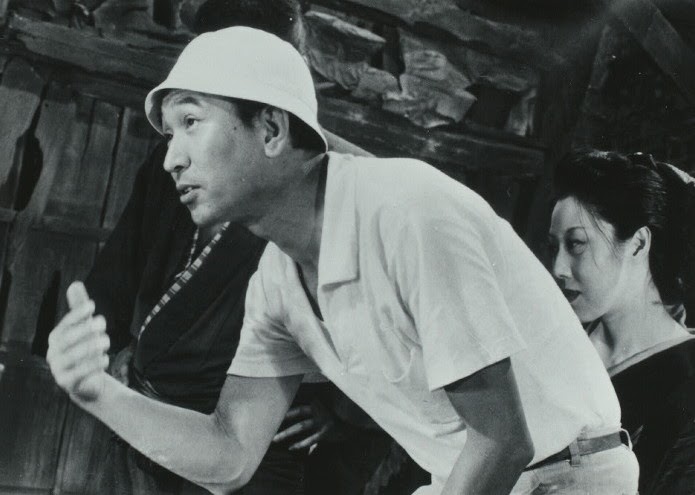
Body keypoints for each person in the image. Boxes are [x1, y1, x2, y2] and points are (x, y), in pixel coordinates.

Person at [46, 27, 638, 495]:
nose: (171, 157)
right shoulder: (277, 280)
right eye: (169, 134)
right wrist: (98, 392)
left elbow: (504, 440)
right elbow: (230, 455)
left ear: (271, 129)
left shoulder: (406, 212)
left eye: (191, 122)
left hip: (569, 475)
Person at [79, 1, 373, 493]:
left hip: (261, 439)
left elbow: (396, 333)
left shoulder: (335, 180)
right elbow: (117, 273)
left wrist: (342, 412)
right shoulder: (175, 162)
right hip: (156, 420)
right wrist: (114, 352)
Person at [549, 149, 695, 494]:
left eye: (576, 244)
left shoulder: (686, 379)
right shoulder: (557, 340)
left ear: (638, 244)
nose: (557, 268)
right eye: (554, 246)